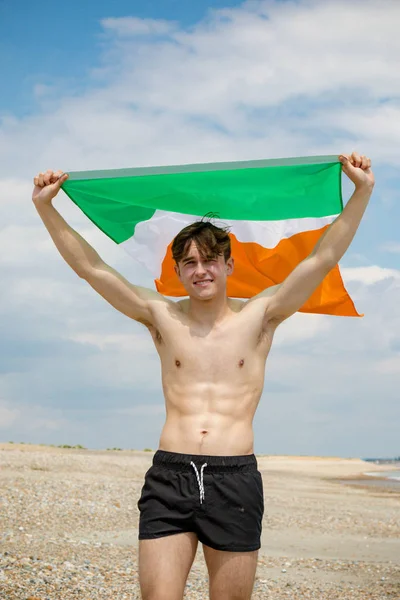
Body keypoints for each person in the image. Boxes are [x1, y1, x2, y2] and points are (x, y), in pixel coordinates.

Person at [32, 152, 374, 600]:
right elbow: (92, 268)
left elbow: (321, 257)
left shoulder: (262, 316)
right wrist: (45, 207)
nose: (201, 270)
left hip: (234, 479)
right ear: (177, 272)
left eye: (210, 260)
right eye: (190, 263)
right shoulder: (160, 317)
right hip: (169, 475)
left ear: (229, 266)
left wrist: (362, 191)